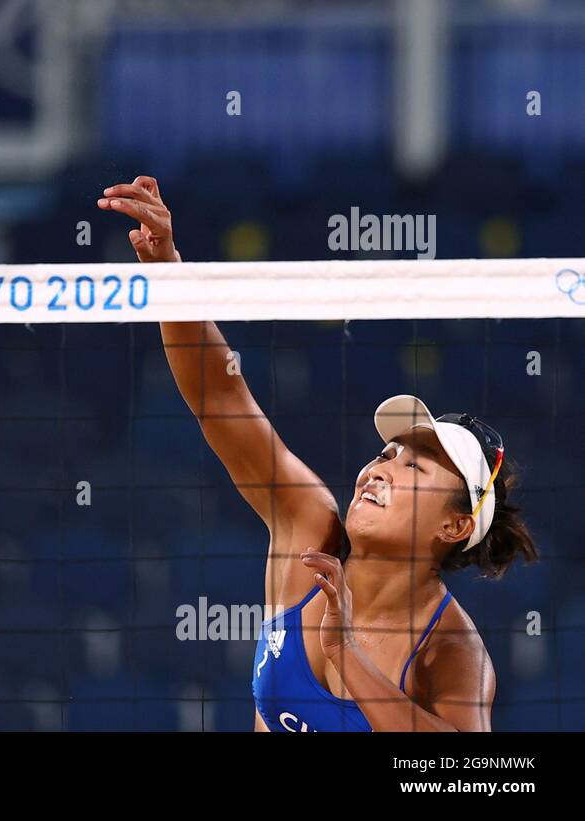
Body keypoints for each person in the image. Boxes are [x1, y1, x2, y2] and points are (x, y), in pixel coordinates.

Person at [99, 176, 537, 731]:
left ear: (454, 525)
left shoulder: (452, 650)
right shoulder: (308, 528)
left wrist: (346, 655)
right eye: (387, 453)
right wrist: (168, 271)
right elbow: (221, 398)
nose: (381, 469)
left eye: (414, 466)